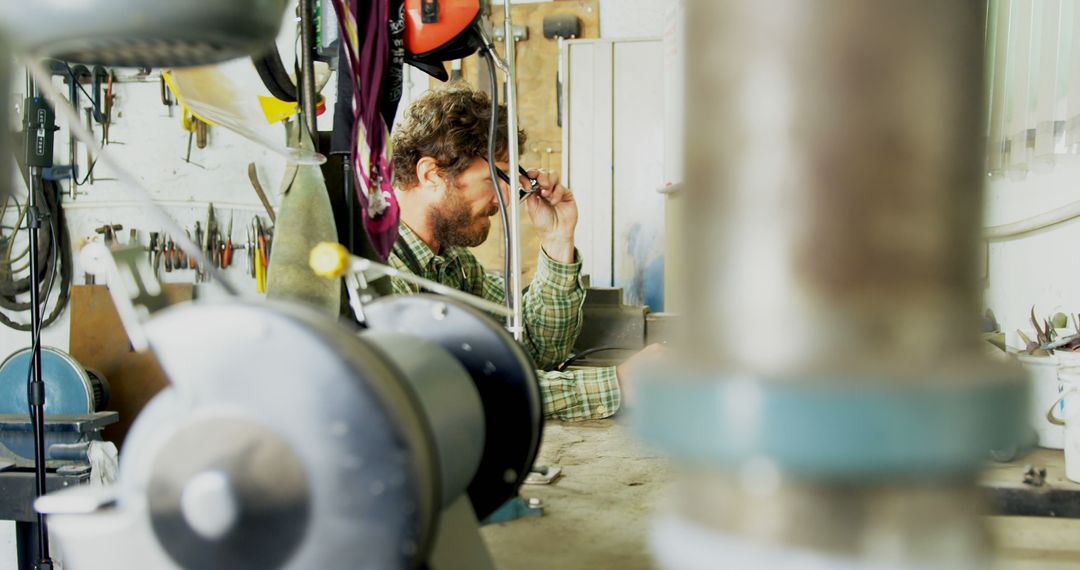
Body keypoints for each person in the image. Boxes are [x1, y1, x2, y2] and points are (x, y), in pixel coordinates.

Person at [388, 85, 661, 421]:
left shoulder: (454, 264)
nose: (505, 199)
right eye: (493, 178)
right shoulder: (384, 275)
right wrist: (618, 383)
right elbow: (456, 393)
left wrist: (557, 238)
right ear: (431, 174)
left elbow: (536, 348)